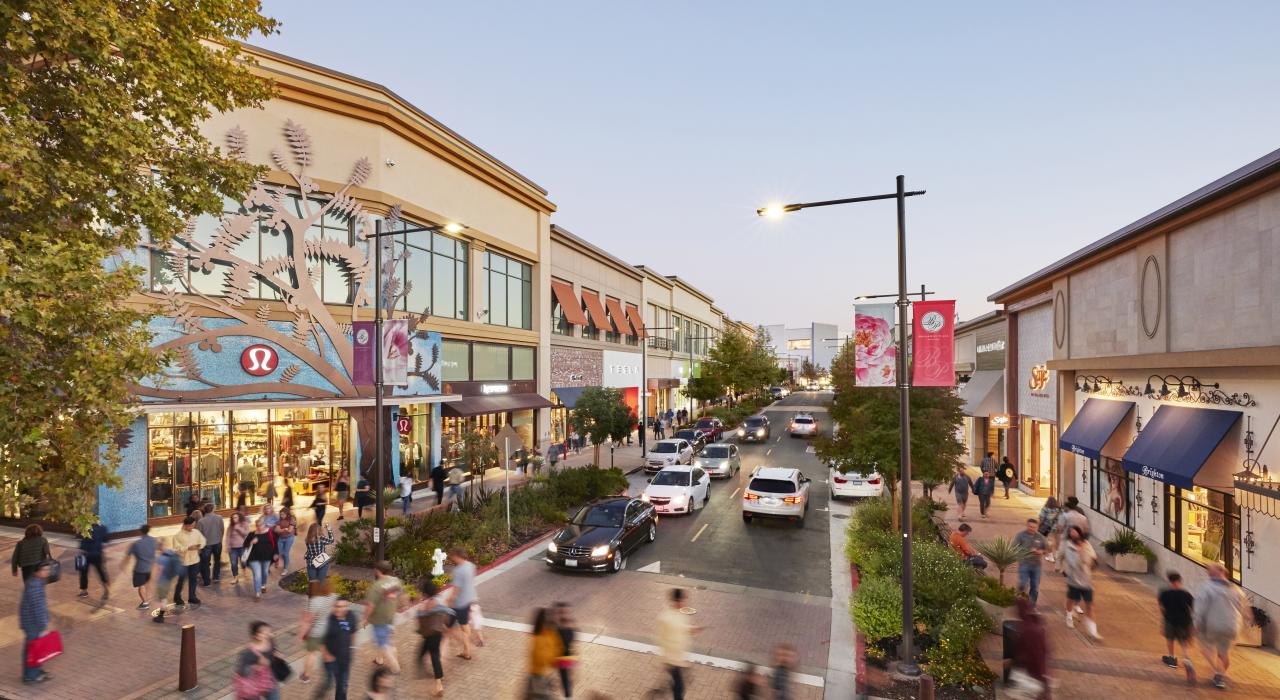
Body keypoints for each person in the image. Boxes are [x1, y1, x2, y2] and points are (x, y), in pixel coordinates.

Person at [1194, 562, 1253, 690]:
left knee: (1206, 647)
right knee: (1224, 653)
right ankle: (1221, 675)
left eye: (1209, 570)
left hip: (1212, 625)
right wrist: (1247, 623)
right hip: (1232, 627)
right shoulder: (1236, 589)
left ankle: (1216, 670)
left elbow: (1200, 607)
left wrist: (1196, 623)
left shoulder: (1206, 587)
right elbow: (1245, 609)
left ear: (1212, 573)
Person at [658, 588, 703, 700]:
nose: (685, 603)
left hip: (681, 657)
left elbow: (682, 628)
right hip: (672, 659)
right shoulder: (665, 618)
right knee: (680, 688)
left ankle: (670, 686)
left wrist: (692, 630)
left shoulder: (682, 613)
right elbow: (661, 639)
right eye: (683, 600)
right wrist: (665, 660)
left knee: (678, 683)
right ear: (676, 601)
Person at [362, 560, 406, 674]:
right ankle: (379, 659)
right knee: (386, 639)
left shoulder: (376, 586)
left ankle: (395, 668)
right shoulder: (396, 581)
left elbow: (371, 605)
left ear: (378, 571)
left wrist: (366, 618)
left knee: (384, 643)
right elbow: (403, 596)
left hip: (379, 619)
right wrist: (402, 606)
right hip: (390, 616)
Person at [415, 578, 453, 697]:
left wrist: (419, 604)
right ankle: (422, 668)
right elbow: (449, 613)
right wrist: (446, 624)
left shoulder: (426, 605)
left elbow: (419, 617)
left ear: (425, 592)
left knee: (434, 657)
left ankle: (438, 684)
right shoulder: (438, 601)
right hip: (437, 633)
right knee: (424, 650)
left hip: (429, 634)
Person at [1062, 525, 1101, 640]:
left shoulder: (1087, 544)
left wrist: (1092, 562)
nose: (1074, 534)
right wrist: (1080, 554)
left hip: (1086, 581)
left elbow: (1093, 557)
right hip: (1074, 580)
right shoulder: (1069, 547)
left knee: (1090, 605)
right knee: (1071, 600)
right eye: (1071, 533)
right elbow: (1072, 563)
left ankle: (1093, 631)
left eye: (1075, 532)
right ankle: (1069, 616)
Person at [1157, 571, 1197, 684]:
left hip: (1170, 619)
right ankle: (1187, 659)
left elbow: (1161, 607)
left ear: (1169, 581)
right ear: (1180, 581)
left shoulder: (1164, 593)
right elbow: (1193, 608)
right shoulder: (1186, 594)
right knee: (1184, 642)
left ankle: (1172, 658)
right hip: (1185, 621)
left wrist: (1164, 616)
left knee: (1170, 639)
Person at [318, 596, 361, 700]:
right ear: (333, 607)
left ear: (347, 607)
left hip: (345, 659)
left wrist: (352, 647)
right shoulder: (328, 621)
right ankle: (320, 694)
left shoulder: (351, 616)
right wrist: (327, 655)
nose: (340, 609)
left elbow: (353, 631)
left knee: (343, 685)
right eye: (337, 606)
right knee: (329, 682)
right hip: (331, 660)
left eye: (343, 607)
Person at [19, 560, 54, 684]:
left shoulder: (37, 582)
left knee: (34, 648)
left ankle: (35, 671)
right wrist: (43, 625)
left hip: (31, 621)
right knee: (33, 649)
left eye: (48, 570)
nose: (47, 572)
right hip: (32, 623)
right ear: (38, 572)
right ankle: (31, 675)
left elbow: (41, 605)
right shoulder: (35, 585)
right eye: (45, 570)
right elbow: (37, 607)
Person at [299, 579, 338, 685]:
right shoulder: (333, 596)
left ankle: (306, 676)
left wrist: (301, 635)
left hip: (316, 633)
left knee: (311, 654)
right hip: (329, 629)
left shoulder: (314, 601)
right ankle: (333, 673)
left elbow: (308, 622)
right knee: (326, 652)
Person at [1009, 597, 1049, 699]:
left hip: (1032, 675)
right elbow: (1044, 652)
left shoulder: (1027, 629)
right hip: (1035, 674)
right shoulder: (1035, 626)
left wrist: (1041, 678)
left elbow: (1035, 655)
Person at [233, 620, 281, 700]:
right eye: (265, 633)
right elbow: (241, 671)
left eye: (269, 631)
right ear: (257, 636)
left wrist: (277, 654)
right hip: (253, 684)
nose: (269, 634)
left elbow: (272, 653)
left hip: (269, 679)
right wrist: (256, 666)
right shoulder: (249, 653)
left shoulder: (270, 641)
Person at [446, 547, 478, 660]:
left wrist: (449, 601)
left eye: (453, 556)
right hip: (468, 600)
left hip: (458, 604)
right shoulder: (471, 566)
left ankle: (467, 648)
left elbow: (455, 590)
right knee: (464, 625)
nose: (452, 558)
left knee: (449, 628)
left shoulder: (458, 571)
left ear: (457, 556)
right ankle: (466, 650)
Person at [172, 515, 206, 607]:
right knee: (181, 580)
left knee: (193, 579)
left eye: (194, 525)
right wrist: (187, 548)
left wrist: (200, 545)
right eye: (191, 525)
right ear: (185, 525)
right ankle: (177, 597)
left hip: (195, 560)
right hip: (183, 562)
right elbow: (176, 548)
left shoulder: (196, 532)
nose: (192, 527)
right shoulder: (177, 536)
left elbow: (203, 541)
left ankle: (192, 597)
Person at [242, 517, 279, 600]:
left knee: (265, 572)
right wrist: (251, 542)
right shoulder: (252, 534)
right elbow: (245, 545)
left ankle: (263, 585)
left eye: (260, 525)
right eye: (257, 525)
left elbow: (275, 544)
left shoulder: (271, 533)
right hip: (253, 558)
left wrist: (276, 553)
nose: (259, 527)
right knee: (257, 575)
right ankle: (257, 593)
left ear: (264, 524)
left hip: (267, 557)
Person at [1013, 518, 1048, 605]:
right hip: (1024, 563)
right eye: (1030, 526)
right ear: (1027, 526)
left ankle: (1032, 606)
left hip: (1036, 566)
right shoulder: (1020, 535)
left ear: (1037, 527)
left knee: (1035, 586)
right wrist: (1028, 550)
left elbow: (1046, 549)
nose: (1031, 529)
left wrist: (1041, 551)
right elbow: (1013, 547)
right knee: (1023, 583)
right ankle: (1018, 602)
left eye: (1034, 527)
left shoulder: (1041, 537)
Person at [123, 524, 158, 609]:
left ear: (141, 532)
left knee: (141, 585)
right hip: (149, 567)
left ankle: (145, 603)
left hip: (140, 569)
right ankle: (147, 598)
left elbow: (128, 556)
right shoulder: (153, 540)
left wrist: (123, 565)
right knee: (146, 583)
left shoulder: (136, 544)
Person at [151, 538, 183, 623]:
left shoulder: (161, 558)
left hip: (162, 581)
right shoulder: (170, 552)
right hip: (168, 579)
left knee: (162, 599)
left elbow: (159, 570)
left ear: (158, 547)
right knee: (163, 598)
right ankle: (161, 614)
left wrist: (155, 579)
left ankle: (160, 616)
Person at [1054, 497, 1090, 571]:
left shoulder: (1064, 515)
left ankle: (1058, 567)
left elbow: (1060, 529)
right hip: (1078, 538)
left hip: (1066, 537)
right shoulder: (1082, 516)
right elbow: (1086, 529)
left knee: (1061, 553)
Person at [77, 521, 110, 599]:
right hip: (97, 553)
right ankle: (106, 590)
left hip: (84, 554)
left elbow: (83, 541)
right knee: (101, 572)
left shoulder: (85, 527)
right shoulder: (103, 527)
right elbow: (106, 540)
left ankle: (84, 591)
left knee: (83, 574)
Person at [196, 502, 225, 585]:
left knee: (205, 563)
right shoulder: (219, 518)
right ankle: (216, 577)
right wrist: (220, 538)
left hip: (206, 545)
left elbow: (199, 534)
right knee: (217, 560)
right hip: (217, 542)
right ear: (213, 509)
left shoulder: (201, 521)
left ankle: (207, 581)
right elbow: (222, 529)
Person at [554, 601, 577, 698]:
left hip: (564, 659)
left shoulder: (570, 628)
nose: (564, 615)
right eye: (561, 613)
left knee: (567, 685)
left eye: (566, 613)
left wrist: (573, 671)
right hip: (555, 659)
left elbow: (572, 648)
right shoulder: (553, 629)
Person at [227, 511, 252, 584]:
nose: (234, 519)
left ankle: (244, 569)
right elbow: (228, 536)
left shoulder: (244, 524)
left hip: (242, 547)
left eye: (236, 517)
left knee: (243, 561)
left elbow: (247, 534)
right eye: (233, 518)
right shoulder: (230, 526)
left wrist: (238, 528)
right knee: (233, 563)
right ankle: (235, 577)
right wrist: (227, 546)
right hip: (233, 548)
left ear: (239, 517)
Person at [273, 506, 297, 575]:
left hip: (289, 538)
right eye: (280, 514)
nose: (281, 516)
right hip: (281, 538)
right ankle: (287, 560)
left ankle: (285, 568)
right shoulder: (279, 520)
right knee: (280, 553)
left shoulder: (291, 519)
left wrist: (281, 530)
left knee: (285, 553)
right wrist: (284, 529)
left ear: (287, 514)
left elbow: (290, 530)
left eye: (283, 514)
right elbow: (277, 530)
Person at [1037, 497, 1061, 563]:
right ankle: (1056, 556)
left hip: (1047, 527)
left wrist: (1038, 526)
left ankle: (1050, 557)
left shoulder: (1045, 509)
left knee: (1049, 542)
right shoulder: (1058, 510)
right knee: (1056, 542)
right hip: (1056, 528)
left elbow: (1041, 518)